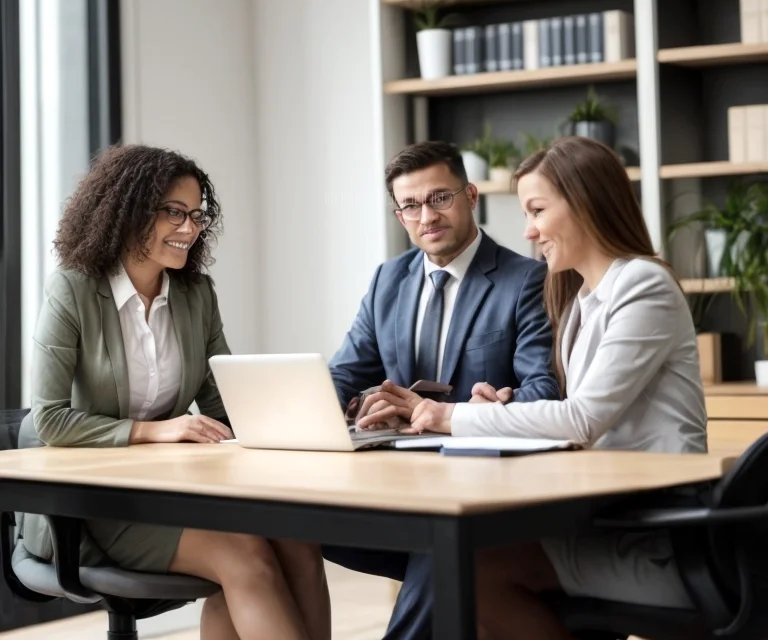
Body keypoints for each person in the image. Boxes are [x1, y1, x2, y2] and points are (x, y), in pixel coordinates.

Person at [370, 136, 708, 639]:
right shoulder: (580, 302)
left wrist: (449, 416)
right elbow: (568, 414)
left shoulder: (643, 285)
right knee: (465, 566)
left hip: (657, 536)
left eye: (537, 210)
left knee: (464, 565)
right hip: (603, 519)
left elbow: (580, 419)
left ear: (585, 203)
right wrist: (497, 409)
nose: (528, 231)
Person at [21, 145, 330, 640]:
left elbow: (221, 406)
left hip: (175, 492)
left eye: (197, 215)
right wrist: (155, 431)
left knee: (299, 544)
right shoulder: (73, 289)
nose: (190, 228)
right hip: (93, 506)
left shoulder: (195, 295)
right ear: (129, 211)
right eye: (174, 212)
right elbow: (50, 419)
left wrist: (301, 419)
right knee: (246, 559)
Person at [324, 140, 560, 640]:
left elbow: (542, 388)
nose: (425, 216)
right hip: (399, 486)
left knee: (442, 547)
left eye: (439, 198)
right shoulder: (388, 279)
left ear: (471, 195)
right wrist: (357, 402)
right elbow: (346, 371)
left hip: (486, 492)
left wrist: (463, 409)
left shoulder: (526, 279)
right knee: (295, 529)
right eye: (410, 205)